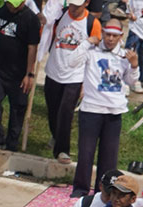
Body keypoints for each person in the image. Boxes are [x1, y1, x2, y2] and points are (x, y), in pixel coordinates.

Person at [69, 19, 139, 197]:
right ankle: (80, 189)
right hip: (91, 109)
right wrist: (85, 43)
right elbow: (72, 62)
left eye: (114, 36)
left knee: (109, 157)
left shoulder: (124, 56)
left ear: (120, 37)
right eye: (107, 34)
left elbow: (131, 81)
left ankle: (104, 191)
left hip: (114, 111)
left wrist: (134, 65)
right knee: (86, 153)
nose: (110, 39)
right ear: (103, 34)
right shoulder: (92, 52)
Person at [41, 0, 101, 165]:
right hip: (54, 70)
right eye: (72, 5)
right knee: (53, 111)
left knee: (65, 113)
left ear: (86, 3)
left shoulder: (92, 24)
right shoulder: (59, 15)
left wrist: (86, 82)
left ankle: (62, 150)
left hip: (75, 76)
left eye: (78, 6)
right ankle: (56, 135)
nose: (73, 9)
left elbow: (94, 54)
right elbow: (47, 32)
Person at [0, 0, 40, 152]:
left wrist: (29, 73)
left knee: (18, 108)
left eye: (14, 4)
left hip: (19, 74)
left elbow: (32, 47)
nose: (11, 7)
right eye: (9, 4)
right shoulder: (2, 11)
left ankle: (11, 144)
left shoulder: (31, 19)